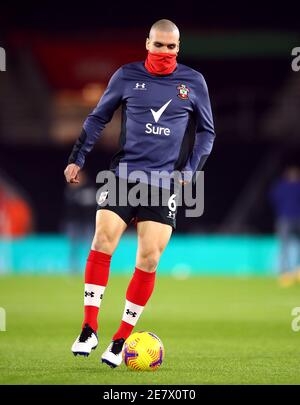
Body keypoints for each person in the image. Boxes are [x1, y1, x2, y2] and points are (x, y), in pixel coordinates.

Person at [64, 19, 215, 368]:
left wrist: (190, 171)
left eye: (171, 47)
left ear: (178, 48)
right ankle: (89, 328)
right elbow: (98, 117)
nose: (164, 52)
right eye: (158, 45)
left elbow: (207, 131)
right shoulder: (126, 75)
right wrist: (77, 158)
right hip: (124, 176)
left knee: (148, 259)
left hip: (163, 185)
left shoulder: (193, 83)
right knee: (102, 240)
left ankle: (120, 340)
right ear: (147, 43)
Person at [269, 165, 300, 287]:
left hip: (289, 218)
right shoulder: (283, 186)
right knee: (284, 247)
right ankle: (285, 273)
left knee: (284, 246)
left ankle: (293, 272)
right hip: (286, 219)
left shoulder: (283, 186)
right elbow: (273, 198)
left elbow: (273, 198)